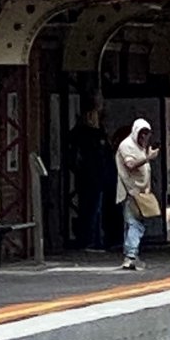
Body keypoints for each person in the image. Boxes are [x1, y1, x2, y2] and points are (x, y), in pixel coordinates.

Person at [115, 118, 158, 271]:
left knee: (132, 224)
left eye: (147, 133)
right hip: (130, 191)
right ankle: (131, 255)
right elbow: (130, 164)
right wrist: (148, 157)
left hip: (140, 192)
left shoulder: (140, 147)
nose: (144, 137)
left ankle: (130, 254)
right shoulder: (127, 146)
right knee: (135, 224)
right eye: (141, 133)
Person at [68, 107, 110, 251]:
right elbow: (105, 155)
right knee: (94, 210)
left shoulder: (79, 134)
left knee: (90, 210)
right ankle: (93, 240)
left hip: (86, 177)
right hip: (95, 177)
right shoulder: (98, 135)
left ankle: (91, 240)